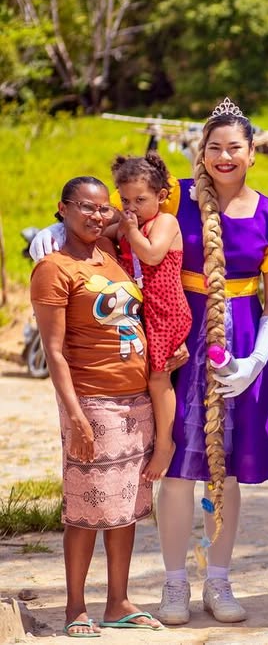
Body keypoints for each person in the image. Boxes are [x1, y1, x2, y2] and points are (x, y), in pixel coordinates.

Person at [153, 98, 268, 625]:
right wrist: (58, 235)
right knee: (178, 468)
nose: (224, 156)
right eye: (214, 147)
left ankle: (218, 579)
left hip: (240, 342)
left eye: (234, 147)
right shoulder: (173, 197)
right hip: (181, 335)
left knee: (230, 471)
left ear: (252, 153)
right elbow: (117, 219)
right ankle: (174, 582)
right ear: (202, 152)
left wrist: (256, 361)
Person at [31, 177, 164, 636]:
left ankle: (118, 601)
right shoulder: (54, 268)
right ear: (63, 208)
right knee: (86, 508)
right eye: (85, 207)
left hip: (135, 401)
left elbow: (134, 214)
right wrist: (76, 415)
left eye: (103, 208)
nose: (96, 215)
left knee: (123, 505)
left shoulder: (108, 254)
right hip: (92, 401)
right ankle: (75, 607)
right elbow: (54, 352)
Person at [107, 152, 192, 482]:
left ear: (161, 196)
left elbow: (153, 254)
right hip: (139, 311)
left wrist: (129, 231)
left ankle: (165, 444)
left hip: (165, 310)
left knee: (159, 378)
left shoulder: (165, 223)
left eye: (140, 200)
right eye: (125, 200)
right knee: (140, 376)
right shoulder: (128, 225)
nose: (132, 207)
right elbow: (99, 236)